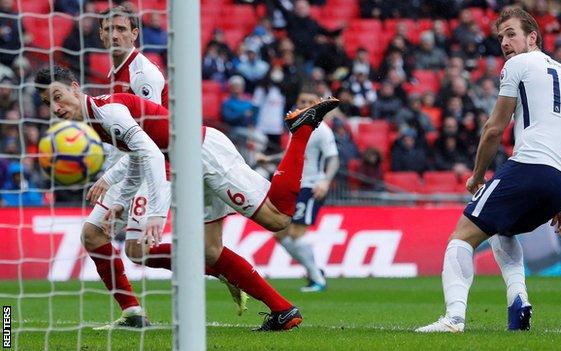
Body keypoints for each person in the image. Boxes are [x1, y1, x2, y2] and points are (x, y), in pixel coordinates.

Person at [35, 65, 341, 331]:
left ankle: (300, 131)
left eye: (58, 97)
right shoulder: (97, 120)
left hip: (203, 155)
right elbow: (139, 155)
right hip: (188, 165)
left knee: (278, 218)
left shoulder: (107, 113)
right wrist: (115, 188)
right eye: (50, 104)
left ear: (75, 88)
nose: (57, 108)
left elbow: (151, 155)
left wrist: (155, 213)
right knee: (209, 251)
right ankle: (282, 311)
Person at [417, 8, 561, 333]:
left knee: (461, 237)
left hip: (530, 167)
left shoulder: (518, 65)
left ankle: (453, 319)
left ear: (532, 37)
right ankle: (518, 300)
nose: (505, 43)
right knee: (501, 229)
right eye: (500, 37)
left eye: (511, 34)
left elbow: (494, 128)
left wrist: (478, 175)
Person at [78, 5, 243, 329]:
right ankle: (133, 313)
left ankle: (218, 269)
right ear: (100, 34)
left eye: (122, 29)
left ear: (135, 33)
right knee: (94, 235)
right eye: (109, 29)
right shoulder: (116, 72)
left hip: (153, 168)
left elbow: (149, 138)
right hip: (133, 166)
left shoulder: (143, 75)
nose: (114, 35)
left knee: (136, 249)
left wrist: (112, 179)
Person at [267, 89, 339, 292]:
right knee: (280, 234)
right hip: (294, 185)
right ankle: (315, 270)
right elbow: (293, 153)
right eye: (302, 100)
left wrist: (325, 181)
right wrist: (271, 159)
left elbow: (333, 158)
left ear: (316, 103)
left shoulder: (322, 130)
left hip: (310, 186)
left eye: (310, 101)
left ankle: (317, 279)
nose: (305, 103)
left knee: (297, 234)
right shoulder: (296, 127)